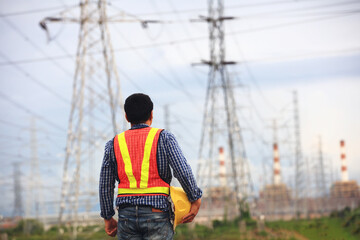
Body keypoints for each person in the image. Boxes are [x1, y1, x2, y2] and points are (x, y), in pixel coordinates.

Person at [99, 93, 202, 240]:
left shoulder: (113, 144)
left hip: (126, 216)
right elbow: (182, 171)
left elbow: (105, 184)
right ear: (151, 114)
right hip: (157, 213)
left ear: (127, 117)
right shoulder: (164, 137)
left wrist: (108, 217)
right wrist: (195, 198)